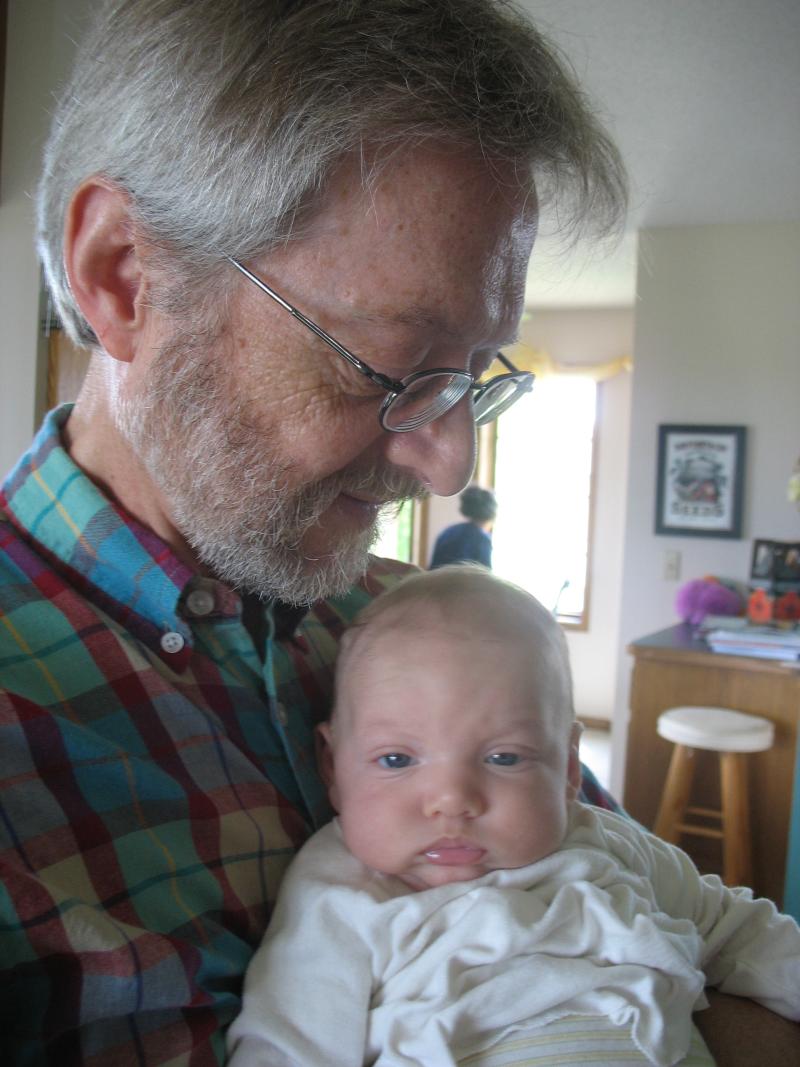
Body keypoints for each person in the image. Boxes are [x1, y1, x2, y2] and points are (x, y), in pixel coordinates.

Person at [0, 1, 635, 1061]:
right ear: (123, 275)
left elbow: (648, 901)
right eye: (390, 364)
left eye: (473, 373)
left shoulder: (417, 624)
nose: (448, 463)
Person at [227, 567, 800, 1067]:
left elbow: (745, 934)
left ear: (569, 769)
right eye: (396, 760)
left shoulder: (607, 844)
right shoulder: (339, 898)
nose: (452, 800)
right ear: (332, 767)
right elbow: (286, 1048)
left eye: (504, 758)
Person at [429, 484, 498, 569]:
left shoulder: (448, 532)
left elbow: (433, 568)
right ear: (490, 515)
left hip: (438, 577)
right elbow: (485, 573)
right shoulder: (482, 539)